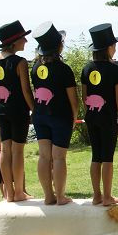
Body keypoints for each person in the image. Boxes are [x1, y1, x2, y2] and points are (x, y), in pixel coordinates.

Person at [30, 22, 78, 206]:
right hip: (60, 117)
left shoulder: (35, 68)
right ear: (59, 46)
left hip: (40, 116)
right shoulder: (63, 69)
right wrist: (74, 116)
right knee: (58, 157)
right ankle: (60, 196)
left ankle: (48, 196)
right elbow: (73, 98)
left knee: (44, 156)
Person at [82, 23, 118, 206]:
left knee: (96, 156)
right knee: (107, 157)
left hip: (91, 118)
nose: (115, 48)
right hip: (108, 118)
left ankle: (96, 195)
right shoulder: (115, 70)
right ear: (108, 48)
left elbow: (85, 96)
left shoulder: (87, 69)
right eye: (114, 45)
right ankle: (107, 197)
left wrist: (90, 113)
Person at [0, 20, 35, 202]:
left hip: (1, 110)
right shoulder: (20, 62)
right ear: (14, 41)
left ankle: (8, 193)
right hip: (18, 111)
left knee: (4, 149)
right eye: (23, 38)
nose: (25, 41)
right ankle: (19, 191)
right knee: (17, 151)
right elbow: (26, 90)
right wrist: (35, 109)